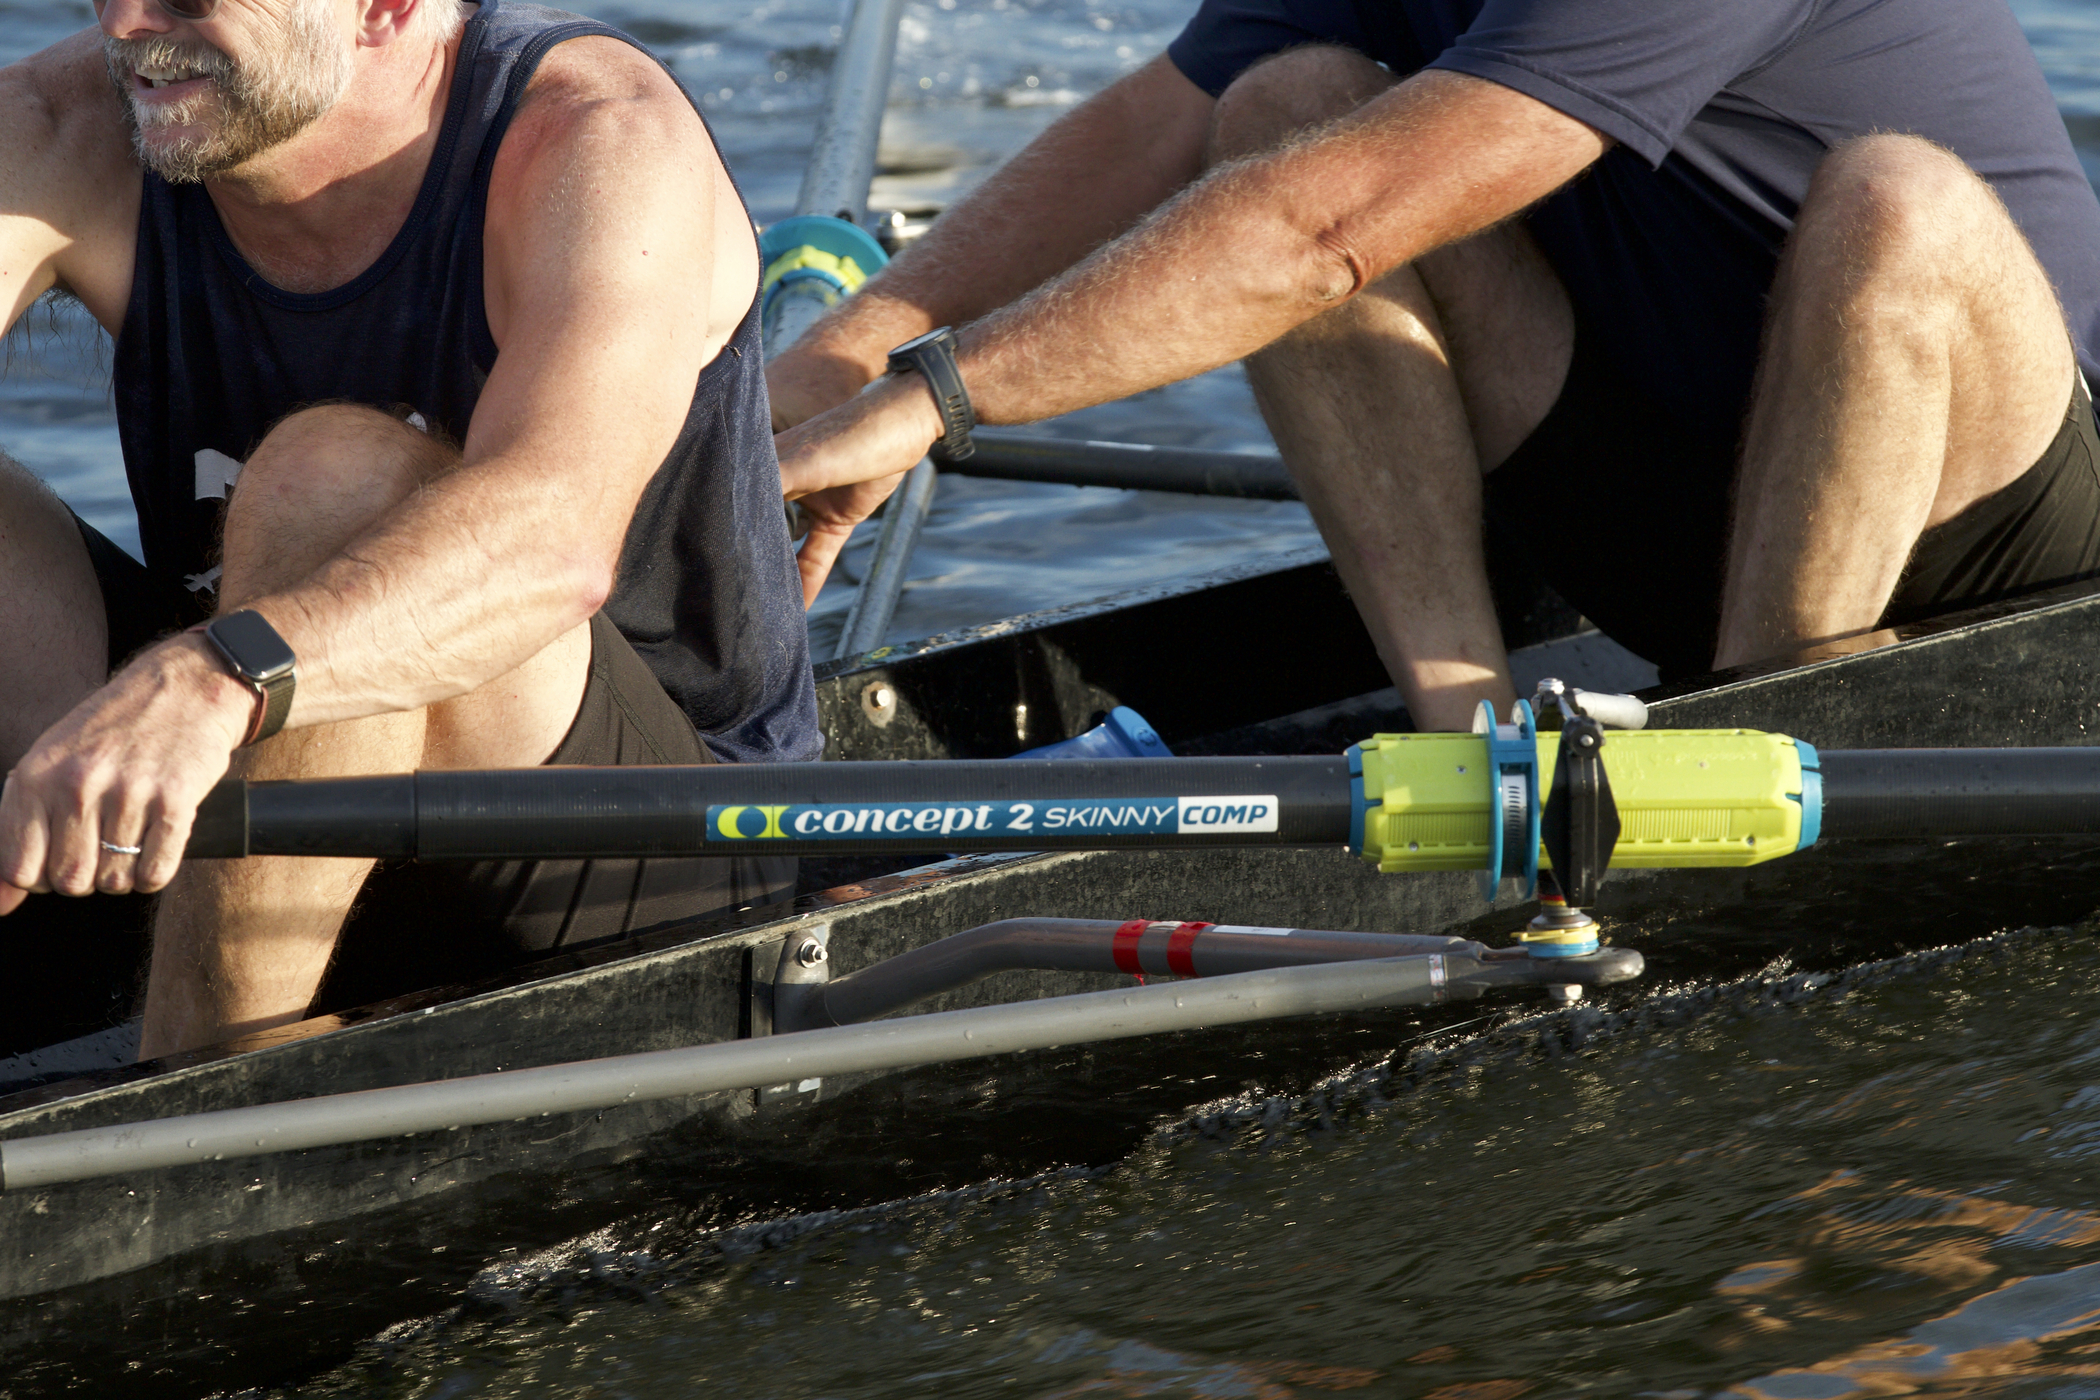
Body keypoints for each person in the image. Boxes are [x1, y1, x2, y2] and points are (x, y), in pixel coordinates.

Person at [769, 0, 2100, 734]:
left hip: (1991, 520)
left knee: (1899, 203)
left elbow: (1318, 237)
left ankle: (1741, 762)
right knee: (1282, 111)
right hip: (1667, 525)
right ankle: (1464, 739)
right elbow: (1153, 134)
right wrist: (847, 352)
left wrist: (933, 401)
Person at [0, 0, 820, 1059]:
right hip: (250, 808)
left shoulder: (598, 143)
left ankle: (200, 1104)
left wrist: (209, 680)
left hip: (656, 843)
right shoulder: (65, 127)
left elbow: (554, 543)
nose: (124, 24)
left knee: (333, 481)